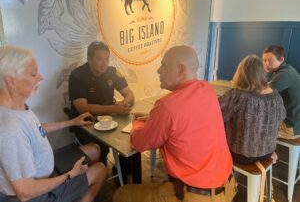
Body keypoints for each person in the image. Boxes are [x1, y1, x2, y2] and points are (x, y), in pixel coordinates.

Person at [114, 45, 236, 202]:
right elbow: (187, 120)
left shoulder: (167, 105)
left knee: (122, 194)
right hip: (228, 188)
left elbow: (139, 143)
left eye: (163, 65)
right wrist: (154, 119)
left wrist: (137, 122)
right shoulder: (206, 89)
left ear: (181, 69)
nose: (158, 71)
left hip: (195, 197)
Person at [0, 45, 107, 202]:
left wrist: (72, 122)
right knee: (100, 170)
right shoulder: (10, 129)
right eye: (33, 73)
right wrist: (70, 175)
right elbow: (24, 192)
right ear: (11, 80)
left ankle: (75, 189)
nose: (41, 77)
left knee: (94, 149)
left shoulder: (17, 108)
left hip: (45, 172)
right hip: (38, 195)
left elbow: (36, 128)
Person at [68, 41, 139, 183]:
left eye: (107, 58)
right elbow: (82, 107)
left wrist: (126, 103)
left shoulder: (112, 72)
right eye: (99, 59)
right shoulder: (77, 75)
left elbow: (129, 94)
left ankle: (124, 174)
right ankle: (99, 178)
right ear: (89, 59)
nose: (104, 63)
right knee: (101, 150)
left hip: (111, 117)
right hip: (86, 121)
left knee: (132, 136)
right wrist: (114, 109)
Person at [218, 55, 286, 164]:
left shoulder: (237, 95)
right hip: (267, 152)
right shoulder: (276, 95)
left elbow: (215, 116)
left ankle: (223, 177)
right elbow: (281, 117)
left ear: (241, 73)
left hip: (239, 154)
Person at [262, 45, 300, 139]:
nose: (266, 63)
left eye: (270, 60)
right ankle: (269, 152)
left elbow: (261, 94)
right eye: (264, 60)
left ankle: (268, 153)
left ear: (281, 59)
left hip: (291, 128)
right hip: (296, 122)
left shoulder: (284, 74)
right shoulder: (286, 69)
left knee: (253, 127)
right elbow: (268, 85)